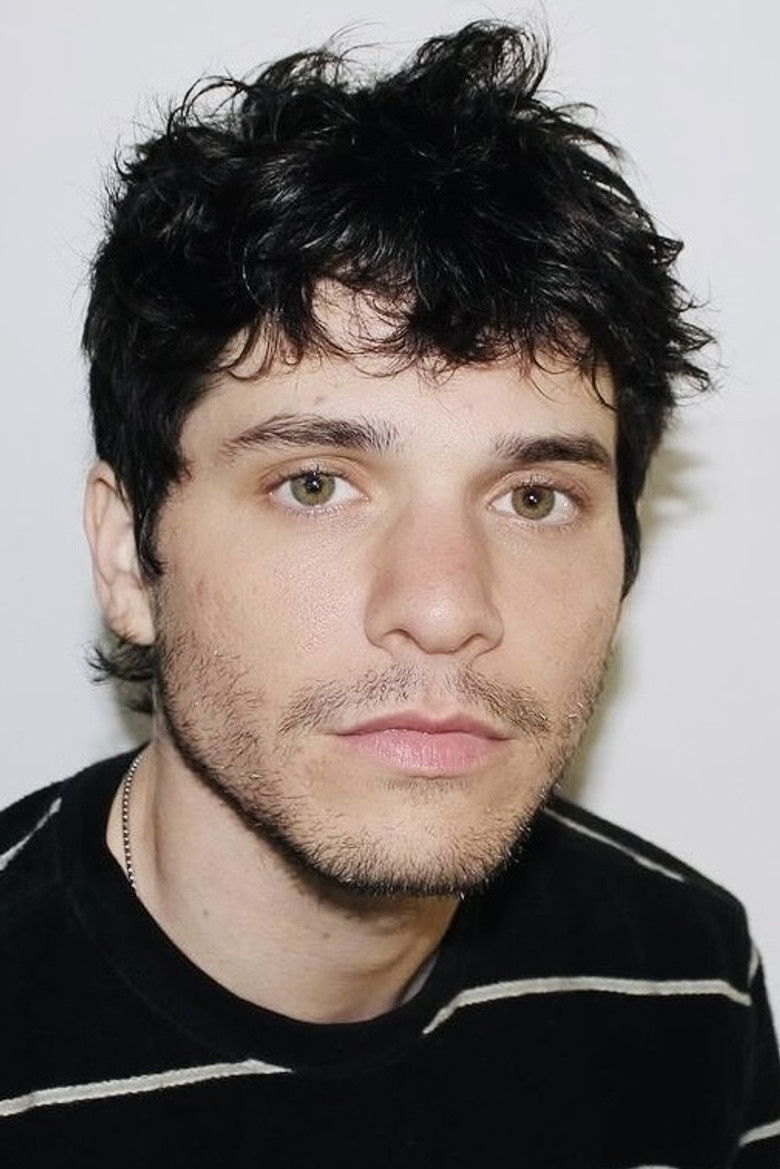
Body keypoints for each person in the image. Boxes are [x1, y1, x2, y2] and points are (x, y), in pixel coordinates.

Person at [0, 20, 777, 1165]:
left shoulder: (683, 977)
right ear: (128, 555)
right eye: (315, 483)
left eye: (533, 498)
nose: (446, 606)